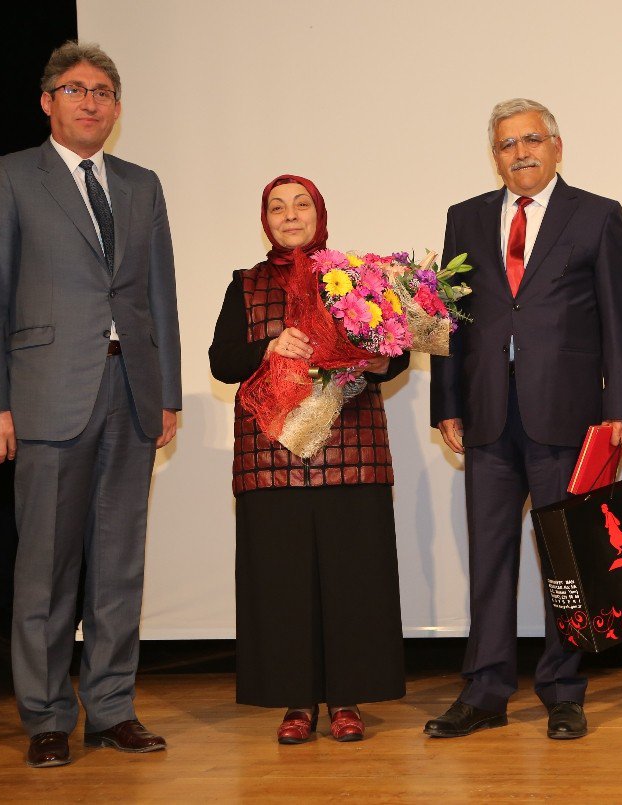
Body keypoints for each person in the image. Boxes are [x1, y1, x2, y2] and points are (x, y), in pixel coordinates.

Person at [0, 41, 181, 767]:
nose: (92, 101)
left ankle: (112, 707)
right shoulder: (10, 177)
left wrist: (167, 391)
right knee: (46, 567)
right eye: (76, 88)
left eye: (105, 91)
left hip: (131, 394)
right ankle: (48, 713)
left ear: (117, 108)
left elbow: (158, 296)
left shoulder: (142, 184)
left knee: (118, 566)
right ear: (48, 100)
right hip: (45, 396)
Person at [426, 99, 622, 740]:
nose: (521, 152)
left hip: (567, 417)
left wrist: (620, 413)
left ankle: (563, 689)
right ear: (495, 156)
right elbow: (446, 318)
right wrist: (446, 403)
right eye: (507, 144)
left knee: (564, 559)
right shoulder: (465, 219)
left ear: (557, 145)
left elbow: (619, 327)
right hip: (487, 415)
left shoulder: (597, 215)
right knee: (490, 559)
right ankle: (485, 689)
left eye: (532, 139)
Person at [209, 175, 407, 743]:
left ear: (320, 214)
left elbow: (392, 355)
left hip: (352, 449)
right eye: (277, 207)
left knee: (354, 580)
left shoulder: (359, 279)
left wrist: (371, 359)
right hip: (271, 453)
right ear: (265, 219)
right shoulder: (244, 285)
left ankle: (347, 700)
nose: (289, 215)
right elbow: (223, 361)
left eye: (301, 205)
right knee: (282, 584)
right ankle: (296, 703)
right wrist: (267, 348)